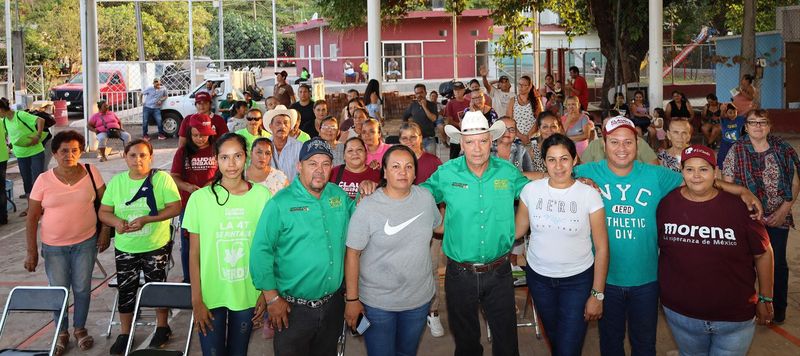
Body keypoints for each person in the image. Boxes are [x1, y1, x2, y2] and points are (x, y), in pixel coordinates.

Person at [573, 116, 762, 356]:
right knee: (610, 344)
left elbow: (698, 182)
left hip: (647, 280)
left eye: (628, 142)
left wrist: (741, 190)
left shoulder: (656, 175)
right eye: (615, 142)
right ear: (604, 144)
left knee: (644, 344)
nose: (622, 149)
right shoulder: (588, 172)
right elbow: (552, 177)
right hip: (605, 279)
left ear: (637, 143)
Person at [424, 111, 530, 355]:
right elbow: (419, 197)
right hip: (459, 273)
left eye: (483, 141)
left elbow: (534, 193)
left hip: (500, 272)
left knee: (507, 343)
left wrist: (570, 179)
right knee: (466, 344)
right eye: (470, 142)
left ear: (491, 141)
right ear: (461, 143)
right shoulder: (447, 173)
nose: (477, 148)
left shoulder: (507, 172)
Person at [658, 144, 774, 354]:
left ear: (716, 172)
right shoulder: (666, 204)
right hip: (682, 315)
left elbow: (764, 252)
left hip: (734, 318)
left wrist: (766, 297)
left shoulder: (741, 208)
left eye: (703, 169)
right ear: (681, 171)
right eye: (689, 169)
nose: (696, 176)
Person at [250, 138, 355, 356]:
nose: (320, 170)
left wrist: (368, 190)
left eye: (326, 164)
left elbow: (361, 221)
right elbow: (261, 251)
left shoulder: (338, 196)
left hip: (332, 304)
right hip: (291, 309)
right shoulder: (280, 203)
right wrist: (272, 297)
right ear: (299, 166)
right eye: (312, 163)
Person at [515, 133, 609, 355]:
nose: (558, 166)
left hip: (577, 281)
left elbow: (602, 247)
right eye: (551, 159)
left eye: (564, 158)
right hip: (539, 279)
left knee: (568, 347)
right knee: (557, 340)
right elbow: (517, 231)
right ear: (544, 162)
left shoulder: (589, 195)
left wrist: (597, 294)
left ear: (575, 160)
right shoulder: (530, 191)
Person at [344, 145, 442, 356]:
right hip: (378, 304)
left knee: (407, 353)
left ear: (415, 173)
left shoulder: (425, 198)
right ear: (385, 172)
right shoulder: (368, 206)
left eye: (408, 167)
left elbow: (438, 226)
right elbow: (352, 253)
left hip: (418, 300)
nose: (403, 172)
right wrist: (352, 300)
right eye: (395, 166)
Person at [184, 133, 270, 356]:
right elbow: (194, 254)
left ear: (246, 157)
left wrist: (265, 292)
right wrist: (196, 299)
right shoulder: (200, 199)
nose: (231, 164)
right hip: (210, 294)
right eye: (224, 157)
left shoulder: (262, 196)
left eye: (237, 156)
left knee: (238, 352)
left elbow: (269, 249)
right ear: (216, 159)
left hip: (248, 291)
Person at [25, 131, 110, 356]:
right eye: (63, 151)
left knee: (82, 289)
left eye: (74, 150)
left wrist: (106, 231)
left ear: (80, 151)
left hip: (86, 242)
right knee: (59, 291)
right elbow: (32, 217)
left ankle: (80, 329)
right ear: (54, 153)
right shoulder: (43, 180)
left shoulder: (92, 172)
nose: (69, 155)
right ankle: (61, 332)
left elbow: (107, 203)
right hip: (53, 247)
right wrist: (31, 251)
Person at [98, 139, 181, 355]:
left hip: (155, 245)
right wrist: (116, 222)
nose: (138, 160)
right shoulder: (117, 182)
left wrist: (148, 219)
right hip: (126, 247)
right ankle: (125, 333)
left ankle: (162, 326)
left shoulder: (162, 179)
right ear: (125, 157)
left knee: (157, 287)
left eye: (143, 155)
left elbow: (175, 207)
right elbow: (104, 212)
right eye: (133, 155)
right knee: (126, 290)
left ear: (151, 157)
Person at [722, 109, 799, 324]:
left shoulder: (783, 149)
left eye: (762, 122)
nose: (757, 126)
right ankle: (747, 305)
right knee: (745, 263)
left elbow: (794, 182)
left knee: (778, 264)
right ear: (745, 127)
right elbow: (728, 184)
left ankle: (777, 308)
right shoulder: (736, 150)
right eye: (753, 122)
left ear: (769, 125)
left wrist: (783, 210)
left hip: (778, 217)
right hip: (746, 218)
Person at [397, 122, 445, 338]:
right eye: (404, 138)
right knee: (403, 268)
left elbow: (443, 196)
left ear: (420, 137)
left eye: (412, 137)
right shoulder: (394, 162)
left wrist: (442, 222)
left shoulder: (433, 162)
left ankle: (432, 311)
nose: (409, 141)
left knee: (431, 268)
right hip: (401, 226)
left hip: (430, 225)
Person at [170, 114, 218, 283]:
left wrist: (211, 184)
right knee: (188, 243)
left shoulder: (217, 149)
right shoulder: (182, 152)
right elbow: (174, 176)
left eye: (203, 135)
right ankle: (189, 279)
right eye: (195, 135)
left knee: (212, 241)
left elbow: (225, 174)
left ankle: (211, 278)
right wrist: (188, 187)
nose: (199, 139)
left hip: (215, 204)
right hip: (189, 206)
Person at [1, 97, 46, 215]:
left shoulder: (20, 115)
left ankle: (41, 205)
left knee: (37, 179)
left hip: (35, 152)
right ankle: (31, 207)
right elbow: (9, 136)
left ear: (1, 109)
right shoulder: (4, 121)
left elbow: (40, 120)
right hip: (21, 155)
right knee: (26, 180)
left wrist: (38, 135)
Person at [580, 114, 659, 165]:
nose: (621, 148)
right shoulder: (594, 145)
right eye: (607, 128)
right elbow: (582, 173)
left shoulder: (640, 143)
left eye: (628, 142)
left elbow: (655, 169)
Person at [265, 106, 303, 180]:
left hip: (292, 190)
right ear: (270, 126)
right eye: (278, 123)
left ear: (290, 127)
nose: (282, 126)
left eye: (286, 123)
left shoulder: (299, 147)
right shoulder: (262, 146)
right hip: (268, 191)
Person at [403, 84, 439, 154]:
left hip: (429, 139)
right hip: (416, 140)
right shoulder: (413, 105)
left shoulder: (432, 105)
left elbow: (433, 119)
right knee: (417, 162)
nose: (419, 95)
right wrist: (408, 128)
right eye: (417, 93)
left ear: (425, 93)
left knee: (431, 162)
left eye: (421, 92)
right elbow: (405, 117)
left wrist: (424, 106)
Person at [506, 75, 541, 145]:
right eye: (519, 84)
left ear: (530, 86)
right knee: (518, 156)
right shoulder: (513, 100)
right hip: (516, 139)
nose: (520, 87)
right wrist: (520, 136)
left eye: (524, 85)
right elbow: (509, 120)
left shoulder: (536, 101)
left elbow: (539, 120)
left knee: (534, 156)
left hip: (534, 138)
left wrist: (528, 136)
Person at [444, 81, 470, 159]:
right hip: (455, 134)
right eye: (455, 90)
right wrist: (458, 124)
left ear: (463, 90)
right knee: (453, 158)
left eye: (459, 89)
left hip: (467, 134)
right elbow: (448, 120)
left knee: (468, 156)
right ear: (453, 92)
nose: (457, 92)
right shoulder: (450, 103)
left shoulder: (469, 102)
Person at [717, 103, 746, 170]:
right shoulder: (724, 120)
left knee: (739, 156)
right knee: (721, 156)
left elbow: (749, 119)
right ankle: (720, 168)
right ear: (726, 113)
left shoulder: (740, 119)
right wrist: (723, 109)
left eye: (734, 112)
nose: (733, 114)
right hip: (725, 142)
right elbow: (721, 115)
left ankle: (739, 168)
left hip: (737, 143)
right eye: (730, 112)